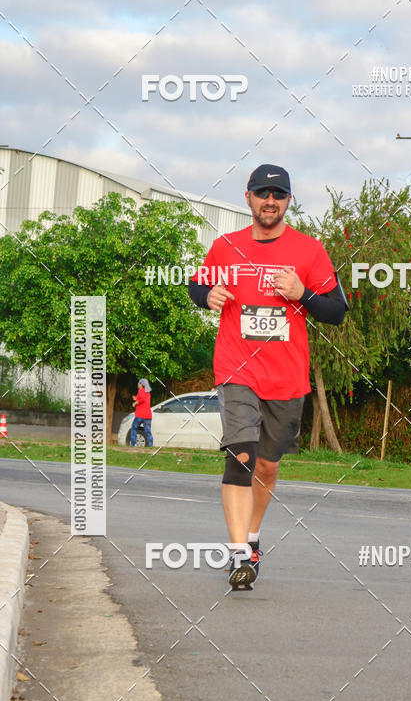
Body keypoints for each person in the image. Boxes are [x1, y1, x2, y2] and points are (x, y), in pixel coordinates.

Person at [188, 164, 347, 589]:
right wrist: (207, 296)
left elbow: (336, 311)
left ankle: (253, 536)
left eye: (278, 194)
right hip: (237, 369)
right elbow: (196, 285)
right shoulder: (225, 247)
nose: (270, 201)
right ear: (248, 198)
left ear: (288, 200)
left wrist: (303, 294)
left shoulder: (310, 251)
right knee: (240, 456)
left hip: (287, 377)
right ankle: (240, 554)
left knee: (267, 467)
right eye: (262, 193)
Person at [130, 378, 154, 447]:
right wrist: (136, 398)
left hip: (140, 415)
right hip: (148, 415)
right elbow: (143, 399)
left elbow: (142, 399)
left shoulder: (141, 390)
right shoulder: (147, 392)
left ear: (141, 384)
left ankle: (132, 444)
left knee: (134, 428)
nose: (138, 384)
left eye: (139, 383)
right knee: (148, 431)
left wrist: (135, 403)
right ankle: (150, 446)